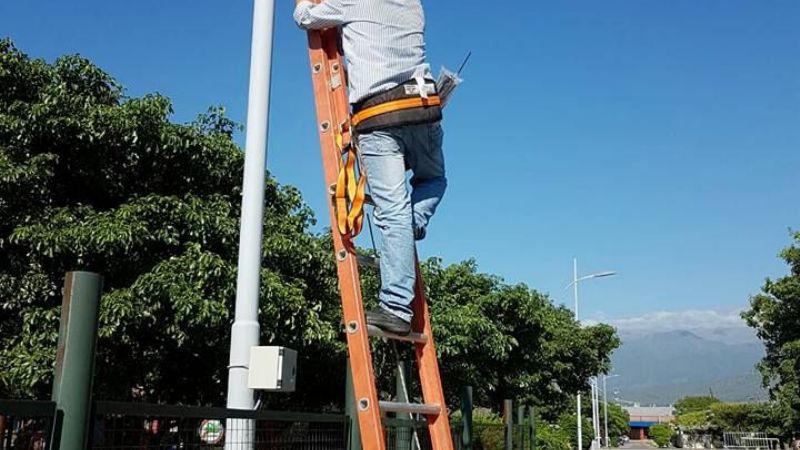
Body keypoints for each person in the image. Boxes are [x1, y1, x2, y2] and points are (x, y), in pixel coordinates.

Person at [294, 0, 447, 335]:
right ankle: (413, 223)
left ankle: (395, 307)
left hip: (379, 117)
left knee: (392, 214)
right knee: (433, 179)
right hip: (423, 109)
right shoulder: (412, 5)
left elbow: (304, 16)